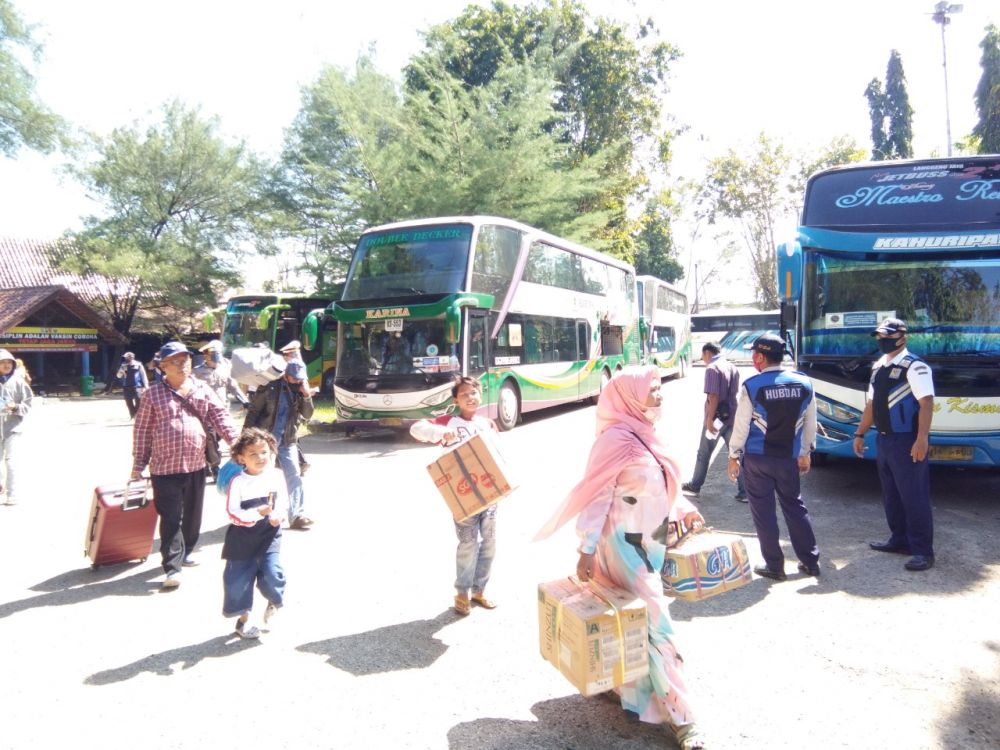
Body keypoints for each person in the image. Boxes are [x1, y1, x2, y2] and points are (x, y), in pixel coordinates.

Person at [535, 366, 707, 750]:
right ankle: (683, 718)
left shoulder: (645, 433)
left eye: (661, 388)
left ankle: (628, 692)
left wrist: (683, 511)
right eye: (653, 388)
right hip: (622, 549)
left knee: (633, 622)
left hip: (651, 545)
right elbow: (597, 497)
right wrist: (586, 548)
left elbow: (659, 486)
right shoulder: (614, 440)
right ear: (629, 395)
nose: (660, 395)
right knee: (657, 624)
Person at [131, 341, 240, 589]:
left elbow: (220, 417)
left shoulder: (202, 389)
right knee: (171, 517)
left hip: (195, 464)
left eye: (186, 361)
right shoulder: (152, 395)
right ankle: (172, 567)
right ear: (163, 367)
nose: (183, 366)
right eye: (176, 362)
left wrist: (237, 444)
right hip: (163, 468)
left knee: (192, 516)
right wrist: (138, 464)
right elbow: (142, 431)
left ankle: (187, 549)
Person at [727, 333, 820, 581]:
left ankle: (775, 566)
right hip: (788, 459)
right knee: (795, 506)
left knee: (764, 513)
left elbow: (741, 426)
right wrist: (805, 453)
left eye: (753, 353)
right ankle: (810, 561)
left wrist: (733, 455)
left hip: (758, 460)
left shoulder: (752, 386)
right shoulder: (804, 383)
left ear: (759, 357)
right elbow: (811, 424)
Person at [410, 376, 500, 617]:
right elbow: (416, 428)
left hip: (490, 494)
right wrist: (440, 432)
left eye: (474, 393)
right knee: (468, 543)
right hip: (463, 495)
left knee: (489, 543)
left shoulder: (488, 424)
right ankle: (462, 592)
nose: (470, 397)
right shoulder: (449, 422)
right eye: (464, 395)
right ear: (456, 400)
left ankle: (479, 590)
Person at [853, 318, 936, 572]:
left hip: (907, 440)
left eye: (887, 336)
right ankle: (899, 540)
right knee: (892, 495)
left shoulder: (915, 366)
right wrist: (859, 433)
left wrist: (922, 438)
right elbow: (871, 404)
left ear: (903, 337)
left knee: (914, 496)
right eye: (879, 336)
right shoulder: (879, 366)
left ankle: (923, 551)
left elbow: (927, 403)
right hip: (885, 439)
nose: (882, 340)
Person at [222, 427, 289, 640]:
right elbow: (233, 512)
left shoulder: (277, 475)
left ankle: (273, 599)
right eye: (253, 454)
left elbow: (284, 502)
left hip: (269, 533)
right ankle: (243, 620)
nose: (261, 458)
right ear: (241, 458)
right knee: (238, 580)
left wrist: (278, 515)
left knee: (272, 573)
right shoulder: (238, 482)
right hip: (241, 537)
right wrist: (254, 514)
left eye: (264, 452)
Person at [244, 359, 315, 529]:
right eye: (295, 378)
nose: (298, 381)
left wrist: (306, 396)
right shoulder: (269, 387)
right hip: (266, 441)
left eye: (300, 379)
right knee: (263, 478)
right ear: (286, 375)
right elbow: (254, 412)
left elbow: (308, 414)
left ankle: (297, 515)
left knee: (294, 475)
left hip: (287, 440)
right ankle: (261, 514)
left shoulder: (300, 391)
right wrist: (245, 438)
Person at [681, 342, 747, 502]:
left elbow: (713, 396)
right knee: (737, 453)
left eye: (703, 356)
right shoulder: (732, 366)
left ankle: (695, 486)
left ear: (707, 353)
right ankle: (745, 492)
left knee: (704, 453)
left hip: (716, 418)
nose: (703, 360)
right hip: (732, 416)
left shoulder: (712, 368)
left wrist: (709, 419)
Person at [193, 340, 250, 479]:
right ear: (206, 356)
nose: (216, 357)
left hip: (223, 410)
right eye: (213, 354)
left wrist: (245, 401)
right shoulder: (197, 372)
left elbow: (233, 387)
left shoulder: (224, 369)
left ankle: (208, 461)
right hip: (206, 413)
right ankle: (215, 466)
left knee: (223, 437)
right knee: (211, 440)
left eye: (218, 354)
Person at [0, 349, 33, 506]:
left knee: (11, 460)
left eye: (9, 362)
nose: (6, 365)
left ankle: (12, 493)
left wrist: (15, 407)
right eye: (2, 362)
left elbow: (28, 405)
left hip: (13, 426)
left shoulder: (18, 382)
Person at [117, 352, 149, 419]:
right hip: (126, 386)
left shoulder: (138, 365)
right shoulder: (123, 365)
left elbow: (143, 375)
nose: (126, 358)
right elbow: (118, 376)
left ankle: (136, 414)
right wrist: (121, 371)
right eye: (125, 357)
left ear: (132, 357)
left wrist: (146, 385)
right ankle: (132, 415)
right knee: (128, 401)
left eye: (127, 357)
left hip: (137, 385)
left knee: (138, 399)